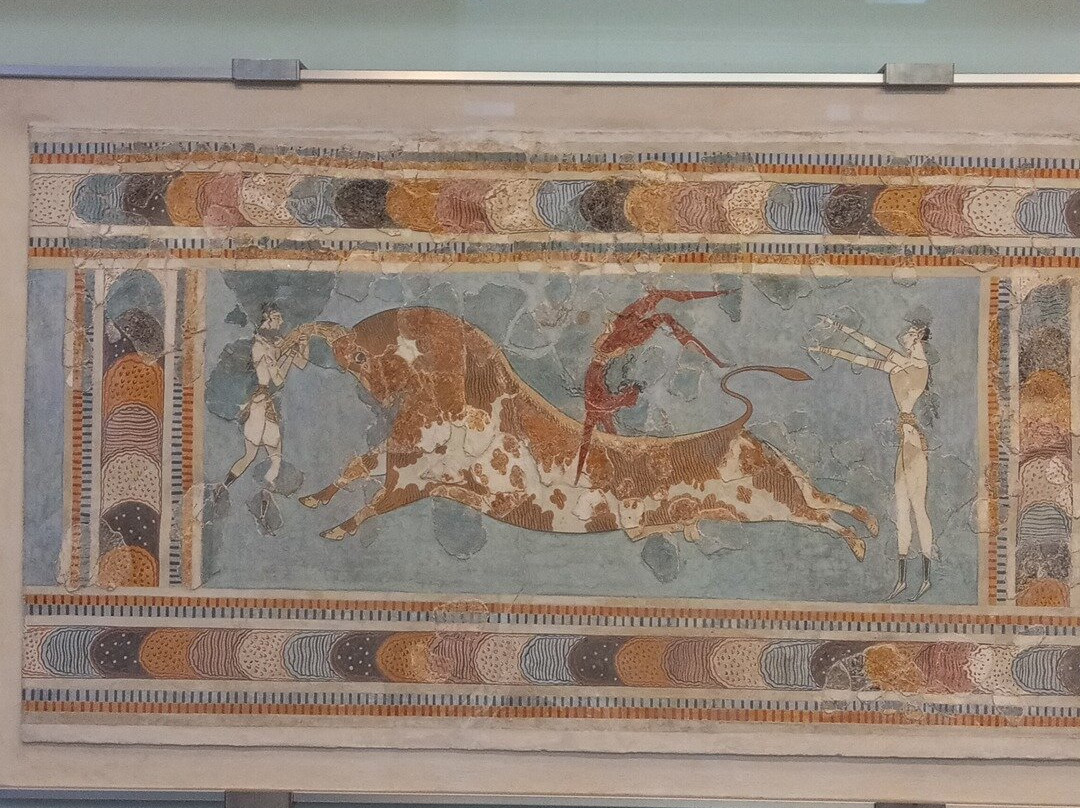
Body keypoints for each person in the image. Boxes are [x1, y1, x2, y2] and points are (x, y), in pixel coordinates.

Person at [808, 319, 934, 601]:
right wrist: (831, 343)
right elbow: (865, 357)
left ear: (918, 337)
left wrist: (838, 332)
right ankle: (902, 579)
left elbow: (873, 348)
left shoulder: (916, 366)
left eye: (908, 333)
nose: (902, 336)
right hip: (905, 440)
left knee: (917, 507)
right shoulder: (901, 364)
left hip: (913, 442)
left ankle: (925, 577)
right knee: (901, 507)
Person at [575, 289, 730, 484]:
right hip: (605, 379)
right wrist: (624, 396)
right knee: (601, 426)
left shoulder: (625, 327)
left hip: (607, 374)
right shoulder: (618, 340)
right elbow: (605, 357)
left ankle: (610, 470)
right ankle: (603, 472)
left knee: (603, 427)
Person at [224, 303, 309, 488]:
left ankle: (265, 491)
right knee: (251, 456)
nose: (281, 321)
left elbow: (302, 363)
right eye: (277, 317)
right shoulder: (260, 347)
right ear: (266, 319)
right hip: (259, 405)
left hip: (267, 403)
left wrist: (303, 345)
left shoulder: (275, 342)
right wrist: (289, 353)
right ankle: (222, 488)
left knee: (275, 457)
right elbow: (277, 380)